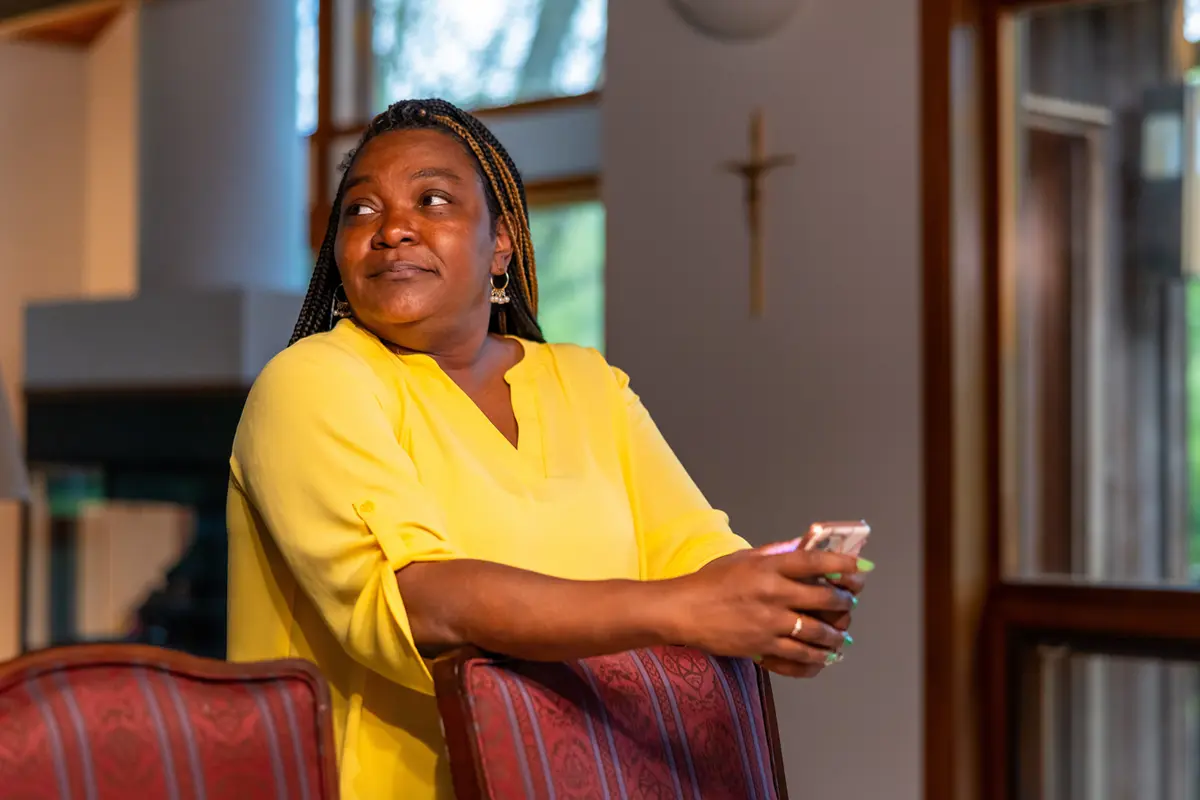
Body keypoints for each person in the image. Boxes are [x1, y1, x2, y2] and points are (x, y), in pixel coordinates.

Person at [226, 98, 873, 800]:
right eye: (360, 210)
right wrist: (683, 607)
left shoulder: (586, 383)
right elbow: (423, 601)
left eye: (432, 200)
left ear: (499, 242)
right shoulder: (311, 382)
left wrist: (777, 599)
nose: (393, 230)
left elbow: (696, 555)